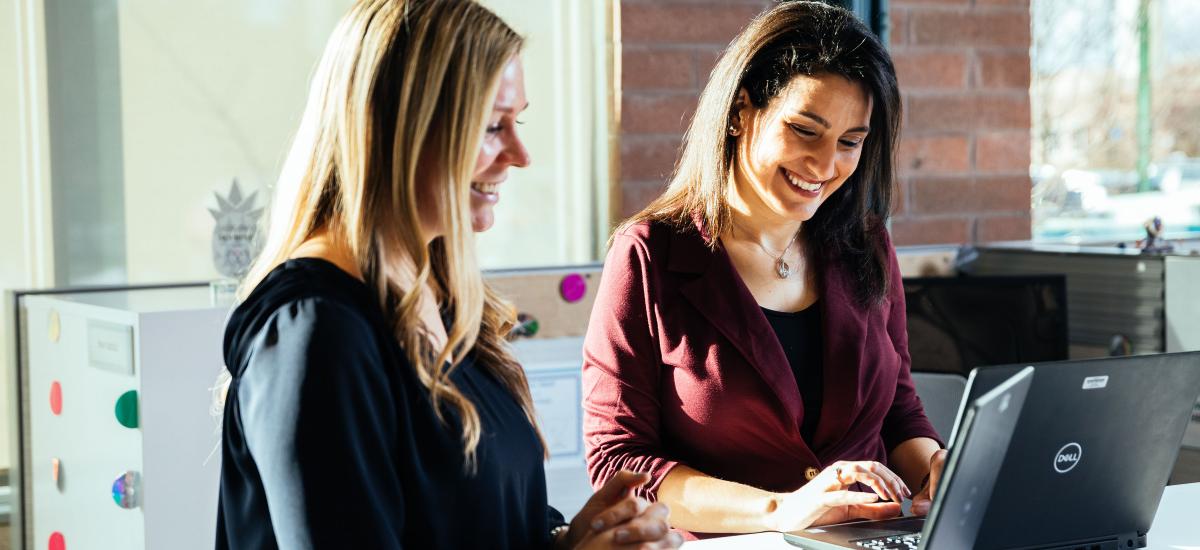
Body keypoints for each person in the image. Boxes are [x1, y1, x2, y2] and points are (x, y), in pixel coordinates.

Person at [215, 1, 682, 548]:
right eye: (491, 126)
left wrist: (575, 537)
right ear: (398, 128)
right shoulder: (316, 332)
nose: (520, 154)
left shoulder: (438, 301)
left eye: (518, 122)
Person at [582, 1, 947, 539]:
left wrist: (940, 467)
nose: (825, 167)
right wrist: (783, 510)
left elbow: (896, 406)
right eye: (804, 131)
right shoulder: (649, 256)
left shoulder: (866, 246)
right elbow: (619, 464)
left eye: (850, 142)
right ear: (741, 111)